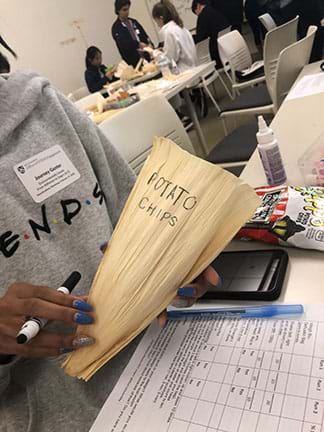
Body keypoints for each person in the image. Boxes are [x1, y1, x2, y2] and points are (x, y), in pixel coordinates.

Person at [0, 67, 219, 431]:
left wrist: (176, 259)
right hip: (67, 415)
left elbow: (138, 219)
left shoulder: (45, 106)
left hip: (169, 363)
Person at [152, 0, 198, 73]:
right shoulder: (181, 28)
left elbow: (169, 61)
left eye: (156, 21)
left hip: (185, 74)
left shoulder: (169, 32)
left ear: (161, 18)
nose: (157, 25)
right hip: (194, 69)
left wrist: (155, 54)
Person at [112, 0, 152, 67]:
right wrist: (138, 45)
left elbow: (144, 36)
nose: (127, 12)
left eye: (128, 9)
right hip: (133, 62)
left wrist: (150, 44)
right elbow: (124, 45)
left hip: (146, 58)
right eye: (124, 10)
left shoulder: (134, 22)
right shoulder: (116, 28)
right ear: (118, 10)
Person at [191, 0, 229, 69]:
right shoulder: (214, 10)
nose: (198, 15)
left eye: (197, 13)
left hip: (216, 54)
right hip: (226, 49)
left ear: (198, 6)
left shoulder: (203, 15)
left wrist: (189, 38)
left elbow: (200, 38)